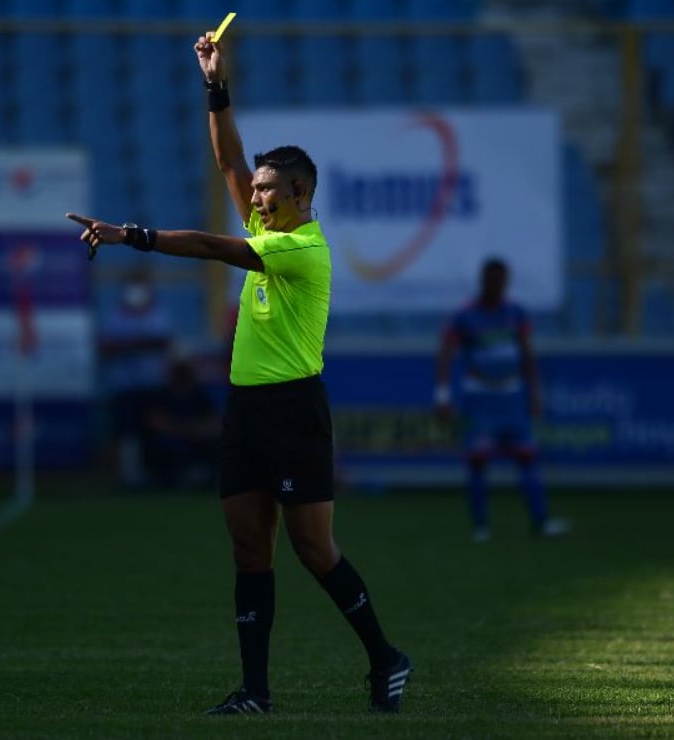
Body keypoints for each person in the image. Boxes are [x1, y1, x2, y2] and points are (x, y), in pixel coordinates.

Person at [65, 31, 412, 715]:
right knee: (249, 548)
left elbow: (202, 245)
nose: (254, 198)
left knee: (314, 550)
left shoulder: (301, 250)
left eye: (267, 190)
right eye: (254, 190)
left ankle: (386, 658)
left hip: (294, 412)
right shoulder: (267, 226)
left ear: (301, 193)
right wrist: (215, 84)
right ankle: (255, 691)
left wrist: (130, 233)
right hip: (245, 410)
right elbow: (226, 157)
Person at [435, 257, 570, 542]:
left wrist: (534, 393)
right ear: (482, 280)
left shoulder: (516, 313)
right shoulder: (465, 315)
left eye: (500, 280)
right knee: (478, 462)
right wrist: (443, 395)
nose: (496, 285)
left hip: (511, 397)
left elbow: (527, 354)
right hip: (480, 398)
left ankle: (541, 521)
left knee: (527, 458)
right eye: (491, 280)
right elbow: (446, 354)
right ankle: (480, 526)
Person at [98, 267, 173, 486]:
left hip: (152, 383)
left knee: (151, 430)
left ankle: (153, 474)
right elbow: (106, 346)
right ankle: (126, 476)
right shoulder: (115, 314)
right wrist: (139, 343)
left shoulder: (157, 312)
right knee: (124, 431)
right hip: (124, 385)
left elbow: (162, 341)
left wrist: (129, 343)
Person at [139, 353, 219, 488]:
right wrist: (183, 429)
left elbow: (213, 420)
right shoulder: (160, 394)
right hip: (171, 438)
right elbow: (155, 421)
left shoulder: (199, 394)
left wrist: (197, 430)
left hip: (196, 437)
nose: (182, 373)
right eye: (178, 369)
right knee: (165, 444)